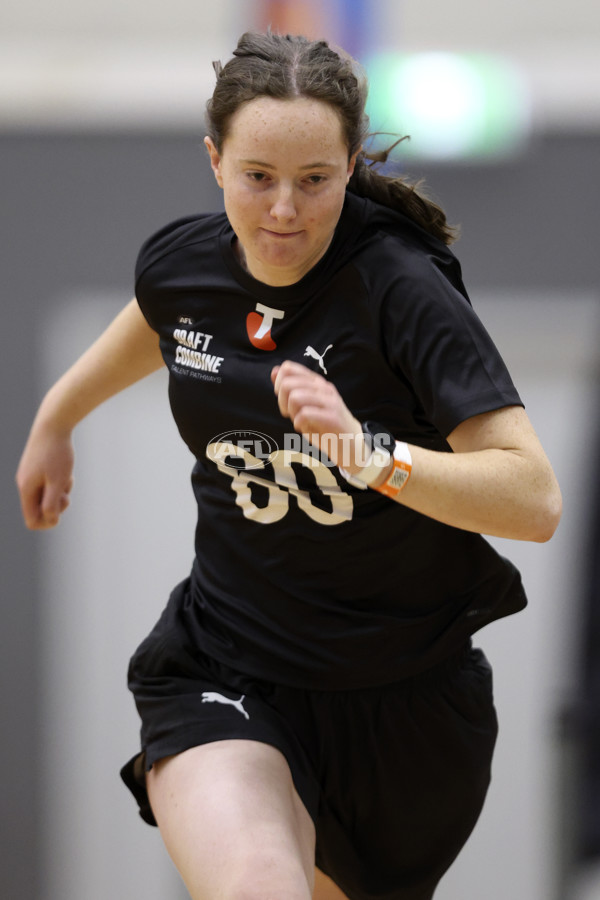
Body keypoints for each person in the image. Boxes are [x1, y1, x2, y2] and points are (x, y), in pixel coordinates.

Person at [16, 30, 562, 900]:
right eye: (256, 177)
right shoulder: (187, 262)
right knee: (256, 885)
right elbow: (160, 324)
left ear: (349, 164)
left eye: (314, 181)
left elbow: (534, 500)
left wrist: (370, 457)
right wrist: (57, 416)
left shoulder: (401, 291)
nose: (283, 210)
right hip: (226, 662)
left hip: (405, 702)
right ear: (215, 159)